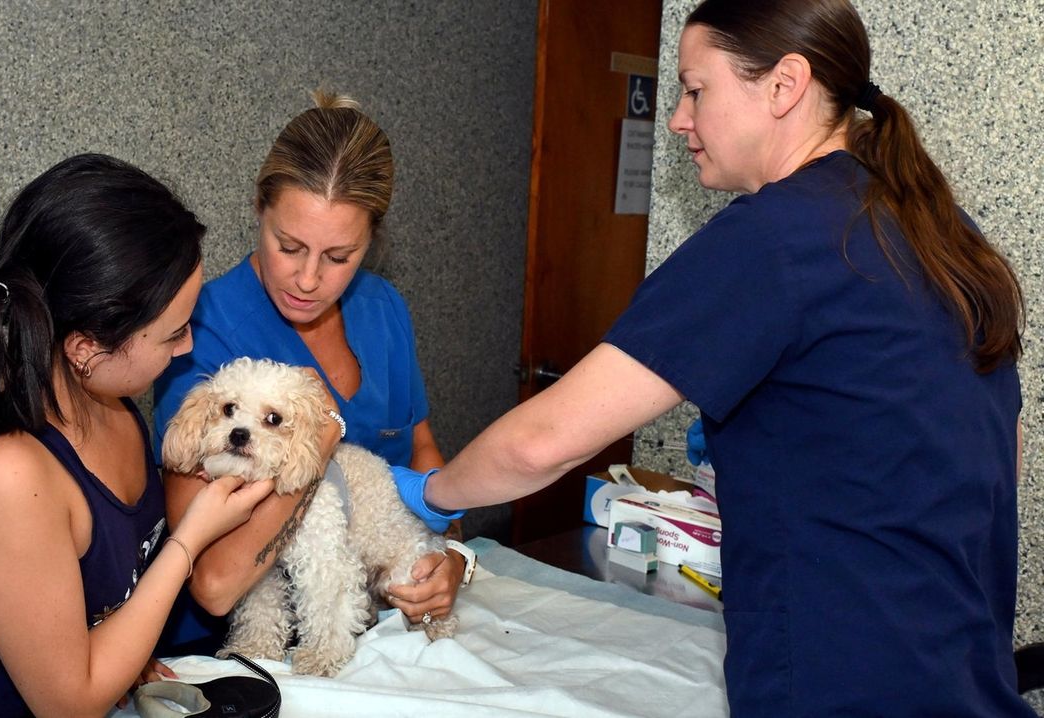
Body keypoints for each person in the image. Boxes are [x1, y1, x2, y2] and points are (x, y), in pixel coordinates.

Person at [395, 1, 1031, 714]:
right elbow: (1000, 453)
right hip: (961, 674)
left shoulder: (773, 237)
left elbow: (542, 443)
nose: (676, 119)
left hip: (842, 681)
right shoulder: (939, 232)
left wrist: (429, 495)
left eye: (696, 90)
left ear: (784, 85)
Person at [0, 154, 279, 717]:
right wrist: (188, 541)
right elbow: (68, 705)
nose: (188, 347)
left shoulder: (108, 401)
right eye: (174, 333)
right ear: (85, 349)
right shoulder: (6, 474)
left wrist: (123, 647)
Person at [150, 91, 471, 658]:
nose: (307, 279)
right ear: (258, 209)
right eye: (289, 246)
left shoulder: (383, 308)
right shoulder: (198, 329)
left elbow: (421, 451)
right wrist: (320, 442)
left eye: (339, 256)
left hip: (374, 628)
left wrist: (449, 557)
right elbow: (214, 582)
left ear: (372, 241)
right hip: (232, 652)